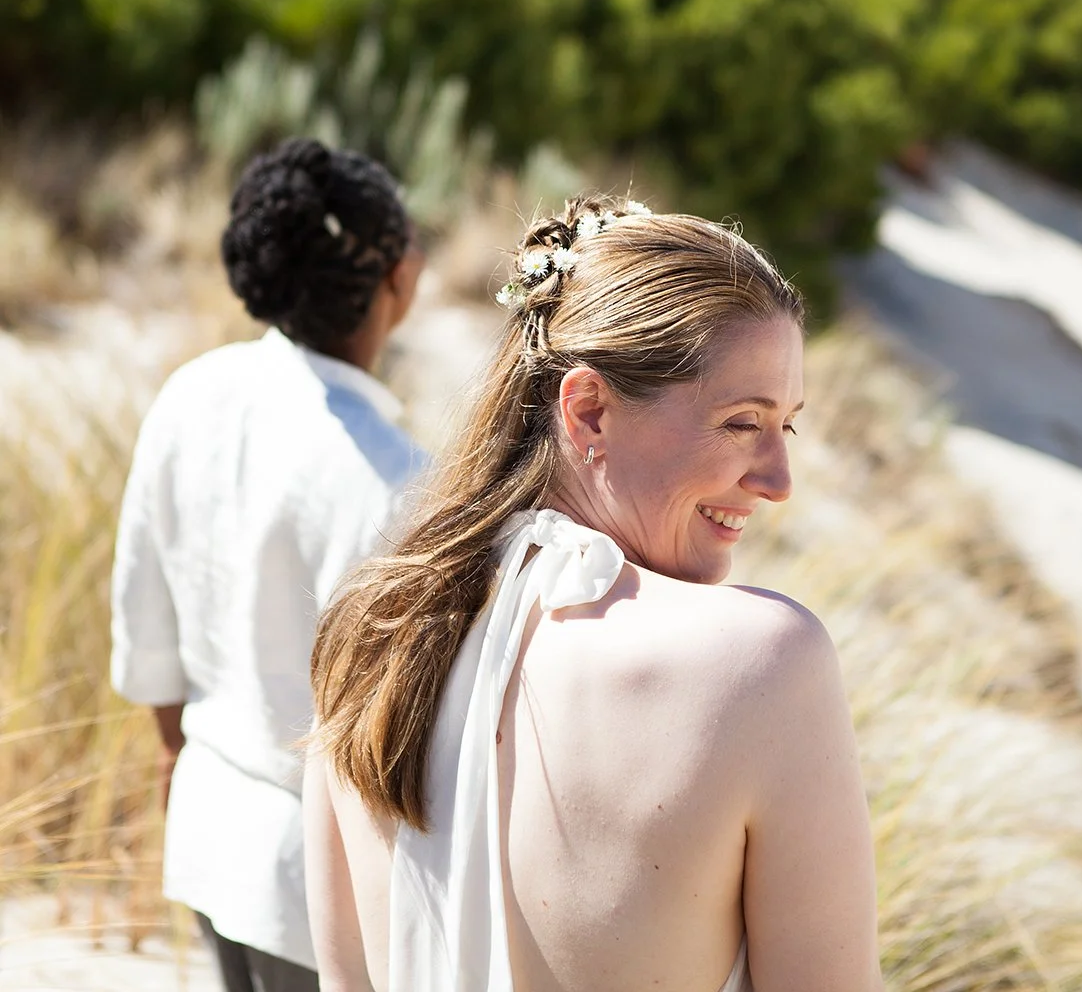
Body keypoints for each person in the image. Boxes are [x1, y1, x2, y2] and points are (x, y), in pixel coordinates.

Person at [304, 197, 882, 991]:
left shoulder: (371, 636)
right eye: (743, 422)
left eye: (789, 426)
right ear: (588, 411)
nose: (779, 480)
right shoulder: (764, 666)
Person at [110, 137, 427, 992]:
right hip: (321, 886)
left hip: (209, 830)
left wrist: (188, 757)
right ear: (396, 276)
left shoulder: (193, 394)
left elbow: (147, 629)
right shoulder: (395, 478)